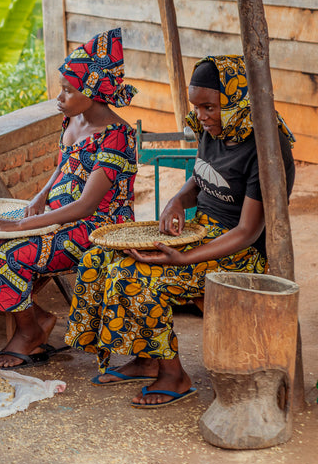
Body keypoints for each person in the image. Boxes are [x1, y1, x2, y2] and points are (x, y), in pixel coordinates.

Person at [65, 55, 296, 408]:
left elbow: (248, 231)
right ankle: (145, 358)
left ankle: (175, 375)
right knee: (99, 258)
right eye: (197, 106)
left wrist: (183, 258)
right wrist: (177, 199)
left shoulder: (266, 146)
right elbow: (202, 177)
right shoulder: (216, 128)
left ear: (237, 101)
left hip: (237, 252)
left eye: (210, 107)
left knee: (136, 275)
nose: (201, 116)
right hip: (200, 232)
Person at [0, 27, 138, 369]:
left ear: (94, 91)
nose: (60, 98)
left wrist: (22, 224)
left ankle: (29, 333)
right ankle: (36, 318)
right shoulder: (72, 118)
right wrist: (40, 197)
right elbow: (63, 166)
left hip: (96, 228)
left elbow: (86, 206)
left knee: (10, 253)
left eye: (68, 91)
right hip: (54, 214)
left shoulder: (116, 137)